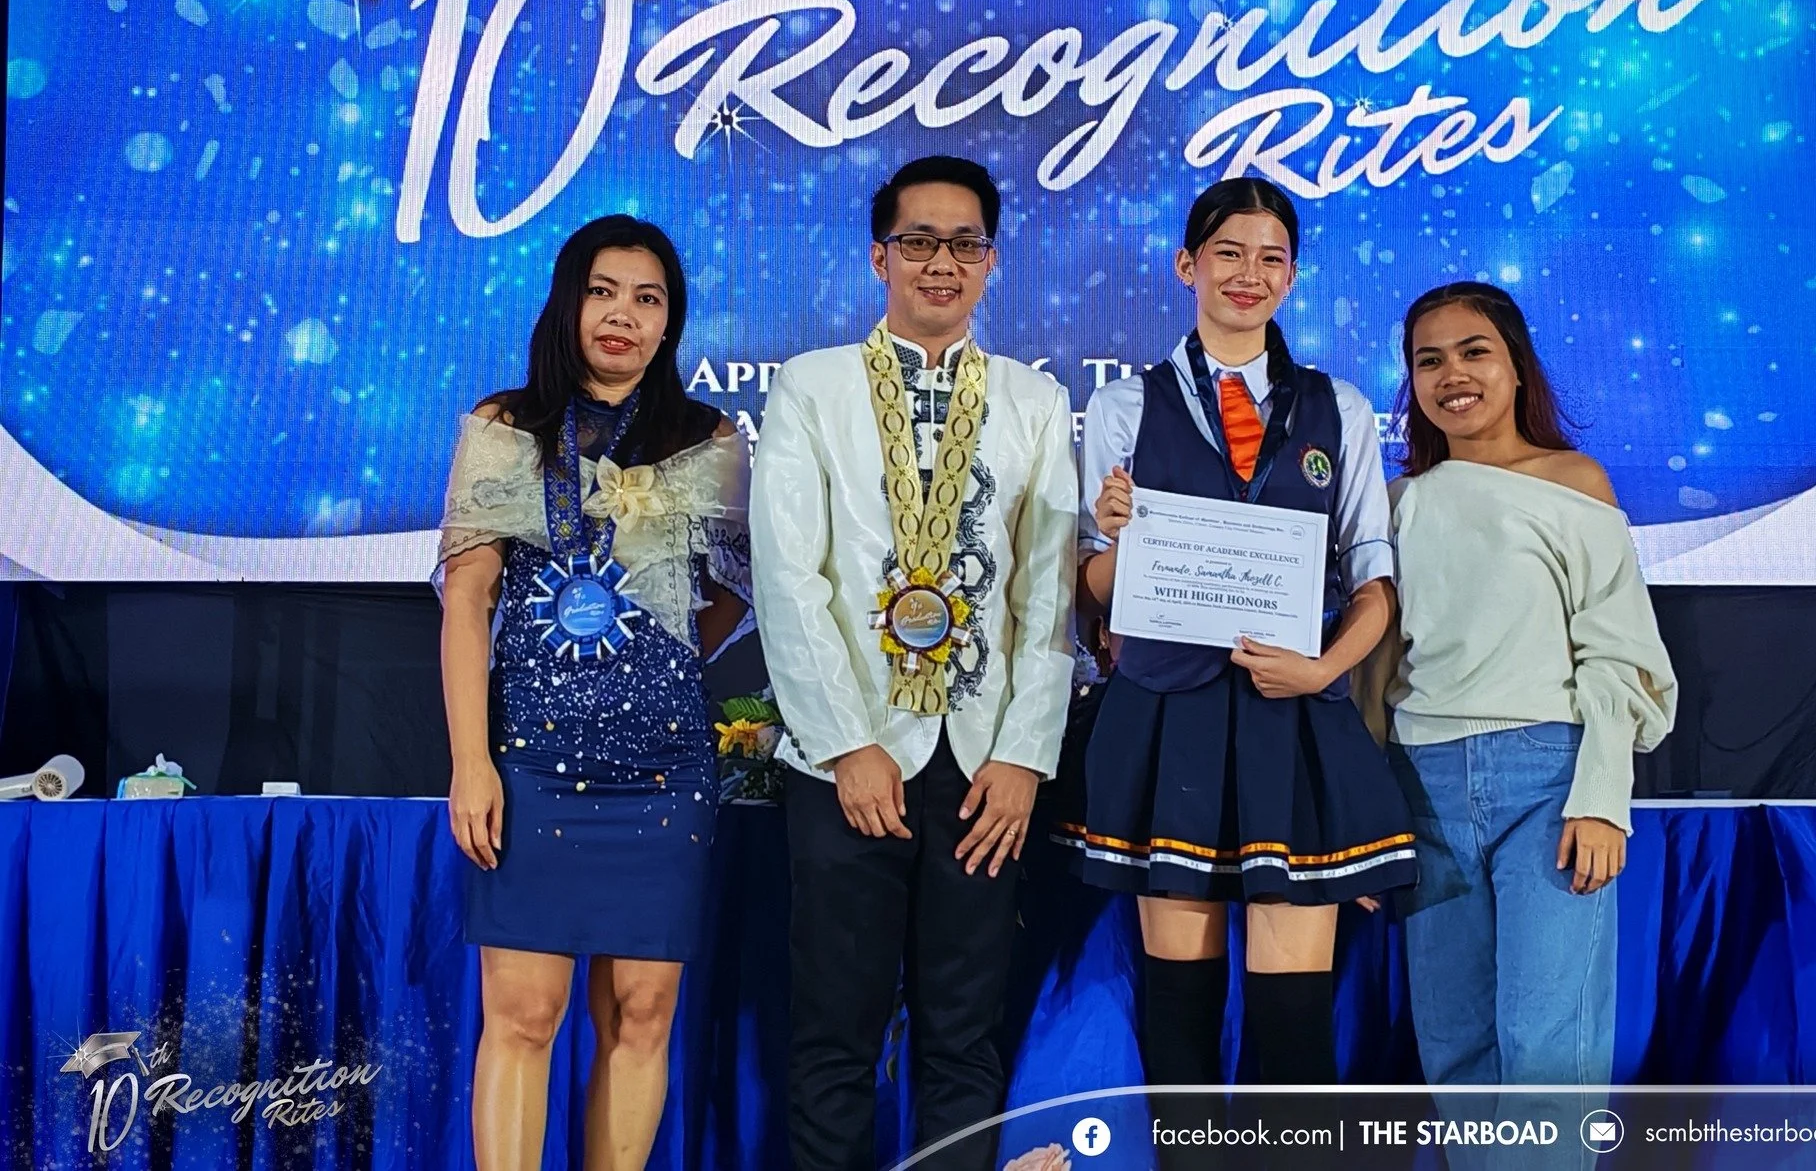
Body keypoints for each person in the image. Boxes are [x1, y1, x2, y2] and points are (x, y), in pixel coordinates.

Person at [751, 156, 1077, 1171]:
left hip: (984, 770)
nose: (942, 262)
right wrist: (844, 744)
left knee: (964, 1038)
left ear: (991, 262)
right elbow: (787, 576)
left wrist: (1023, 756)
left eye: (965, 243)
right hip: (848, 758)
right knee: (834, 1033)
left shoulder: (1032, 399)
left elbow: (1047, 597)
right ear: (878, 256)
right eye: (920, 241)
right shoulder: (812, 387)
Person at [1057, 177, 1419, 1092]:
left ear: (1292, 276)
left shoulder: (1338, 407)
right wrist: (1118, 538)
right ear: (1187, 265)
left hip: (1290, 722)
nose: (1248, 274)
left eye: (1270, 258)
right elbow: (1093, 592)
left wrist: (1321, 670)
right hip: (1165, 718)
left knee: (1294, 1028)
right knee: (1178, 1021)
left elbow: (1374, 583)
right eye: (1228, 253)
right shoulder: (1124, 407)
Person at [437, 215, 751, 1171]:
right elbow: (467, 602)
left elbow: (737, 589)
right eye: (603, 291)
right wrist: (471, 762)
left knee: (643, 1014)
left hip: (664, 771)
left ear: (670, 323)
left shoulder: (708, 438)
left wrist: (657, 663)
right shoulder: (505, 427)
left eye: (648, 299)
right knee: (523, 1013)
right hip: (530, 762)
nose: (623, 315)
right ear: (568, 301)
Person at [1378, 281, 1676, 1157]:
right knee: (1456, 1049)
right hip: (1421, 785)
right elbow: (1373, 668)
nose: (1453, 374)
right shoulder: (1398, 501)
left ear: (1516, 366)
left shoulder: (1574, 481)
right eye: (1429, 360)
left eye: (1474, 352)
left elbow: (1617, 652)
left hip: (1548, 780)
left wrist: (1602, 796)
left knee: (1547, 1044)